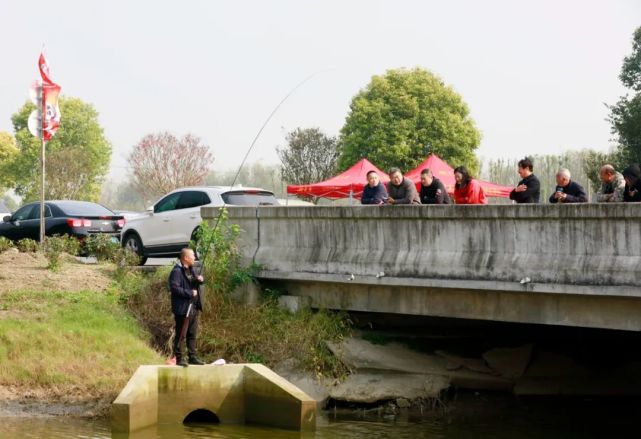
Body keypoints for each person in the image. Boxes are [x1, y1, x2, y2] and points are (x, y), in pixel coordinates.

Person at [169, 248, 205, 367]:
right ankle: (179, 358)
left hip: (193, 307)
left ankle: (192, 357)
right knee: (181, 334)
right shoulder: (176, 271)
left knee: (192, 333)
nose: (195, 257)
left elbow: (193, 282)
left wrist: (199, 280)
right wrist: (189, 293)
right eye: (193, 256)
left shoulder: (191, 269)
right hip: (183, 308)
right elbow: (174, 288)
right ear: (186, 258)